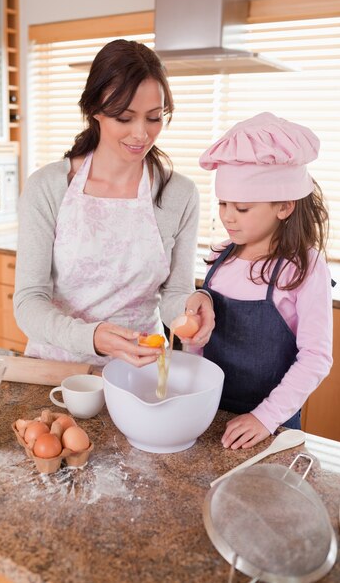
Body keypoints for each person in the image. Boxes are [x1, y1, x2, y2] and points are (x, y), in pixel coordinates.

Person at [14, 39, 213, 367]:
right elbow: (28, 303)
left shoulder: (180, 194)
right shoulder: (47, 187)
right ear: (94, 110)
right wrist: (91, 337)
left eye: (154, 117)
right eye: (124, 117)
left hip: (141, 370)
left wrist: (195, 303)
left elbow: (174, 296)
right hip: (58, 369)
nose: (141, 134)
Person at [199, 112, 333, 450]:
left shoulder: (303, 268)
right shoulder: (220, 257)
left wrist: (265, 417)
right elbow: (200, 345)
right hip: (207, 416)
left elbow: (317, 356)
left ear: (285, 207)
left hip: (270, 429)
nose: (227, 216)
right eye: (223, 203)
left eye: (241, 208)